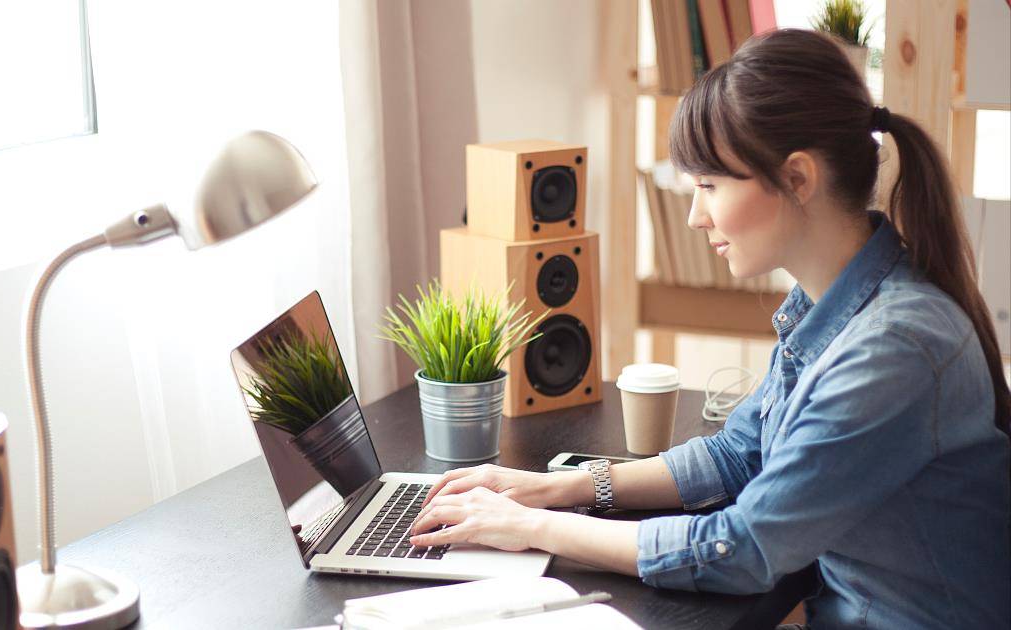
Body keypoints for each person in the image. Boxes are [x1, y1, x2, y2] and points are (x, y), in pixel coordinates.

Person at [408, 28, 1011, 628]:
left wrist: (531, 529)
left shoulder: (891, 348)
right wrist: (555, 488)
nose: (695, 216)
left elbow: (742, 551)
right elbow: (738, 453)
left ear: (798, 179)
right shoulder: (833, 302)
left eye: (708, 186)